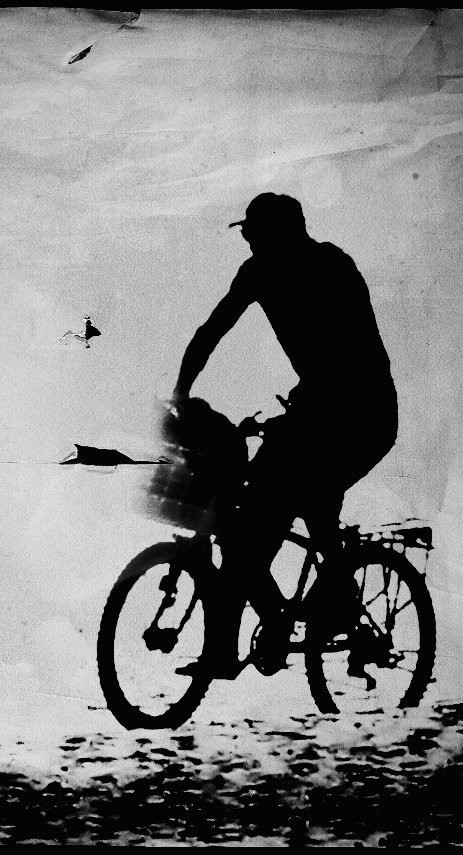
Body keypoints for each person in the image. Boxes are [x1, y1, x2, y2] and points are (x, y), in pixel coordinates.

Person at [171, 193, 398, 678]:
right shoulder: (257, 273)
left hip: (365, 416)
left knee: (281, 508)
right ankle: (276, 622)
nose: (249, 242)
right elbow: (211, 331)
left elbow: (351, 350)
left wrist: (303, 410)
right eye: (247, 235)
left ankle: (322, 604)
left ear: (282, 234)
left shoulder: (332, 266)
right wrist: (180, 393)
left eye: (255, 233)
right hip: (317, 414)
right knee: (253, 523)